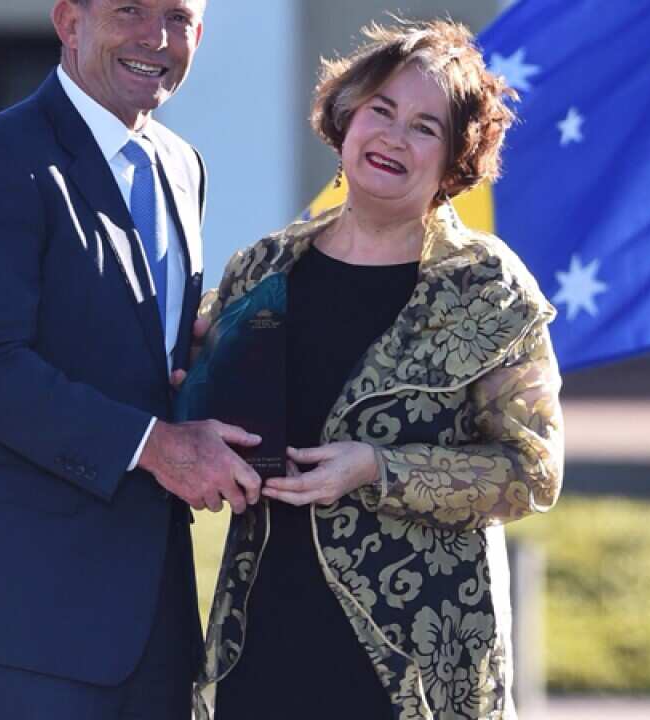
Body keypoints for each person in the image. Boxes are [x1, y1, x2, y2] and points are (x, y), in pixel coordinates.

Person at [0, 1, 262, 718]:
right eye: (129, 9)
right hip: (23, 612)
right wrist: (158, 447)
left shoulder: (181, 166)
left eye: (178, 17)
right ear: (68, 20)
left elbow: (144, 350)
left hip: (151, 610)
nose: (155, 38)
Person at [193, 20, 565, 720]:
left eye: (426, 127)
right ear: (346, 119)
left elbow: (531, 472)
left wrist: (378, 468)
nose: (394, 137)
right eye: (381, 110)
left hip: (419, 655)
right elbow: (208, 402)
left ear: (457, 159)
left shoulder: (488, 287)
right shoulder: (262, 268)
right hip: (266, 625)